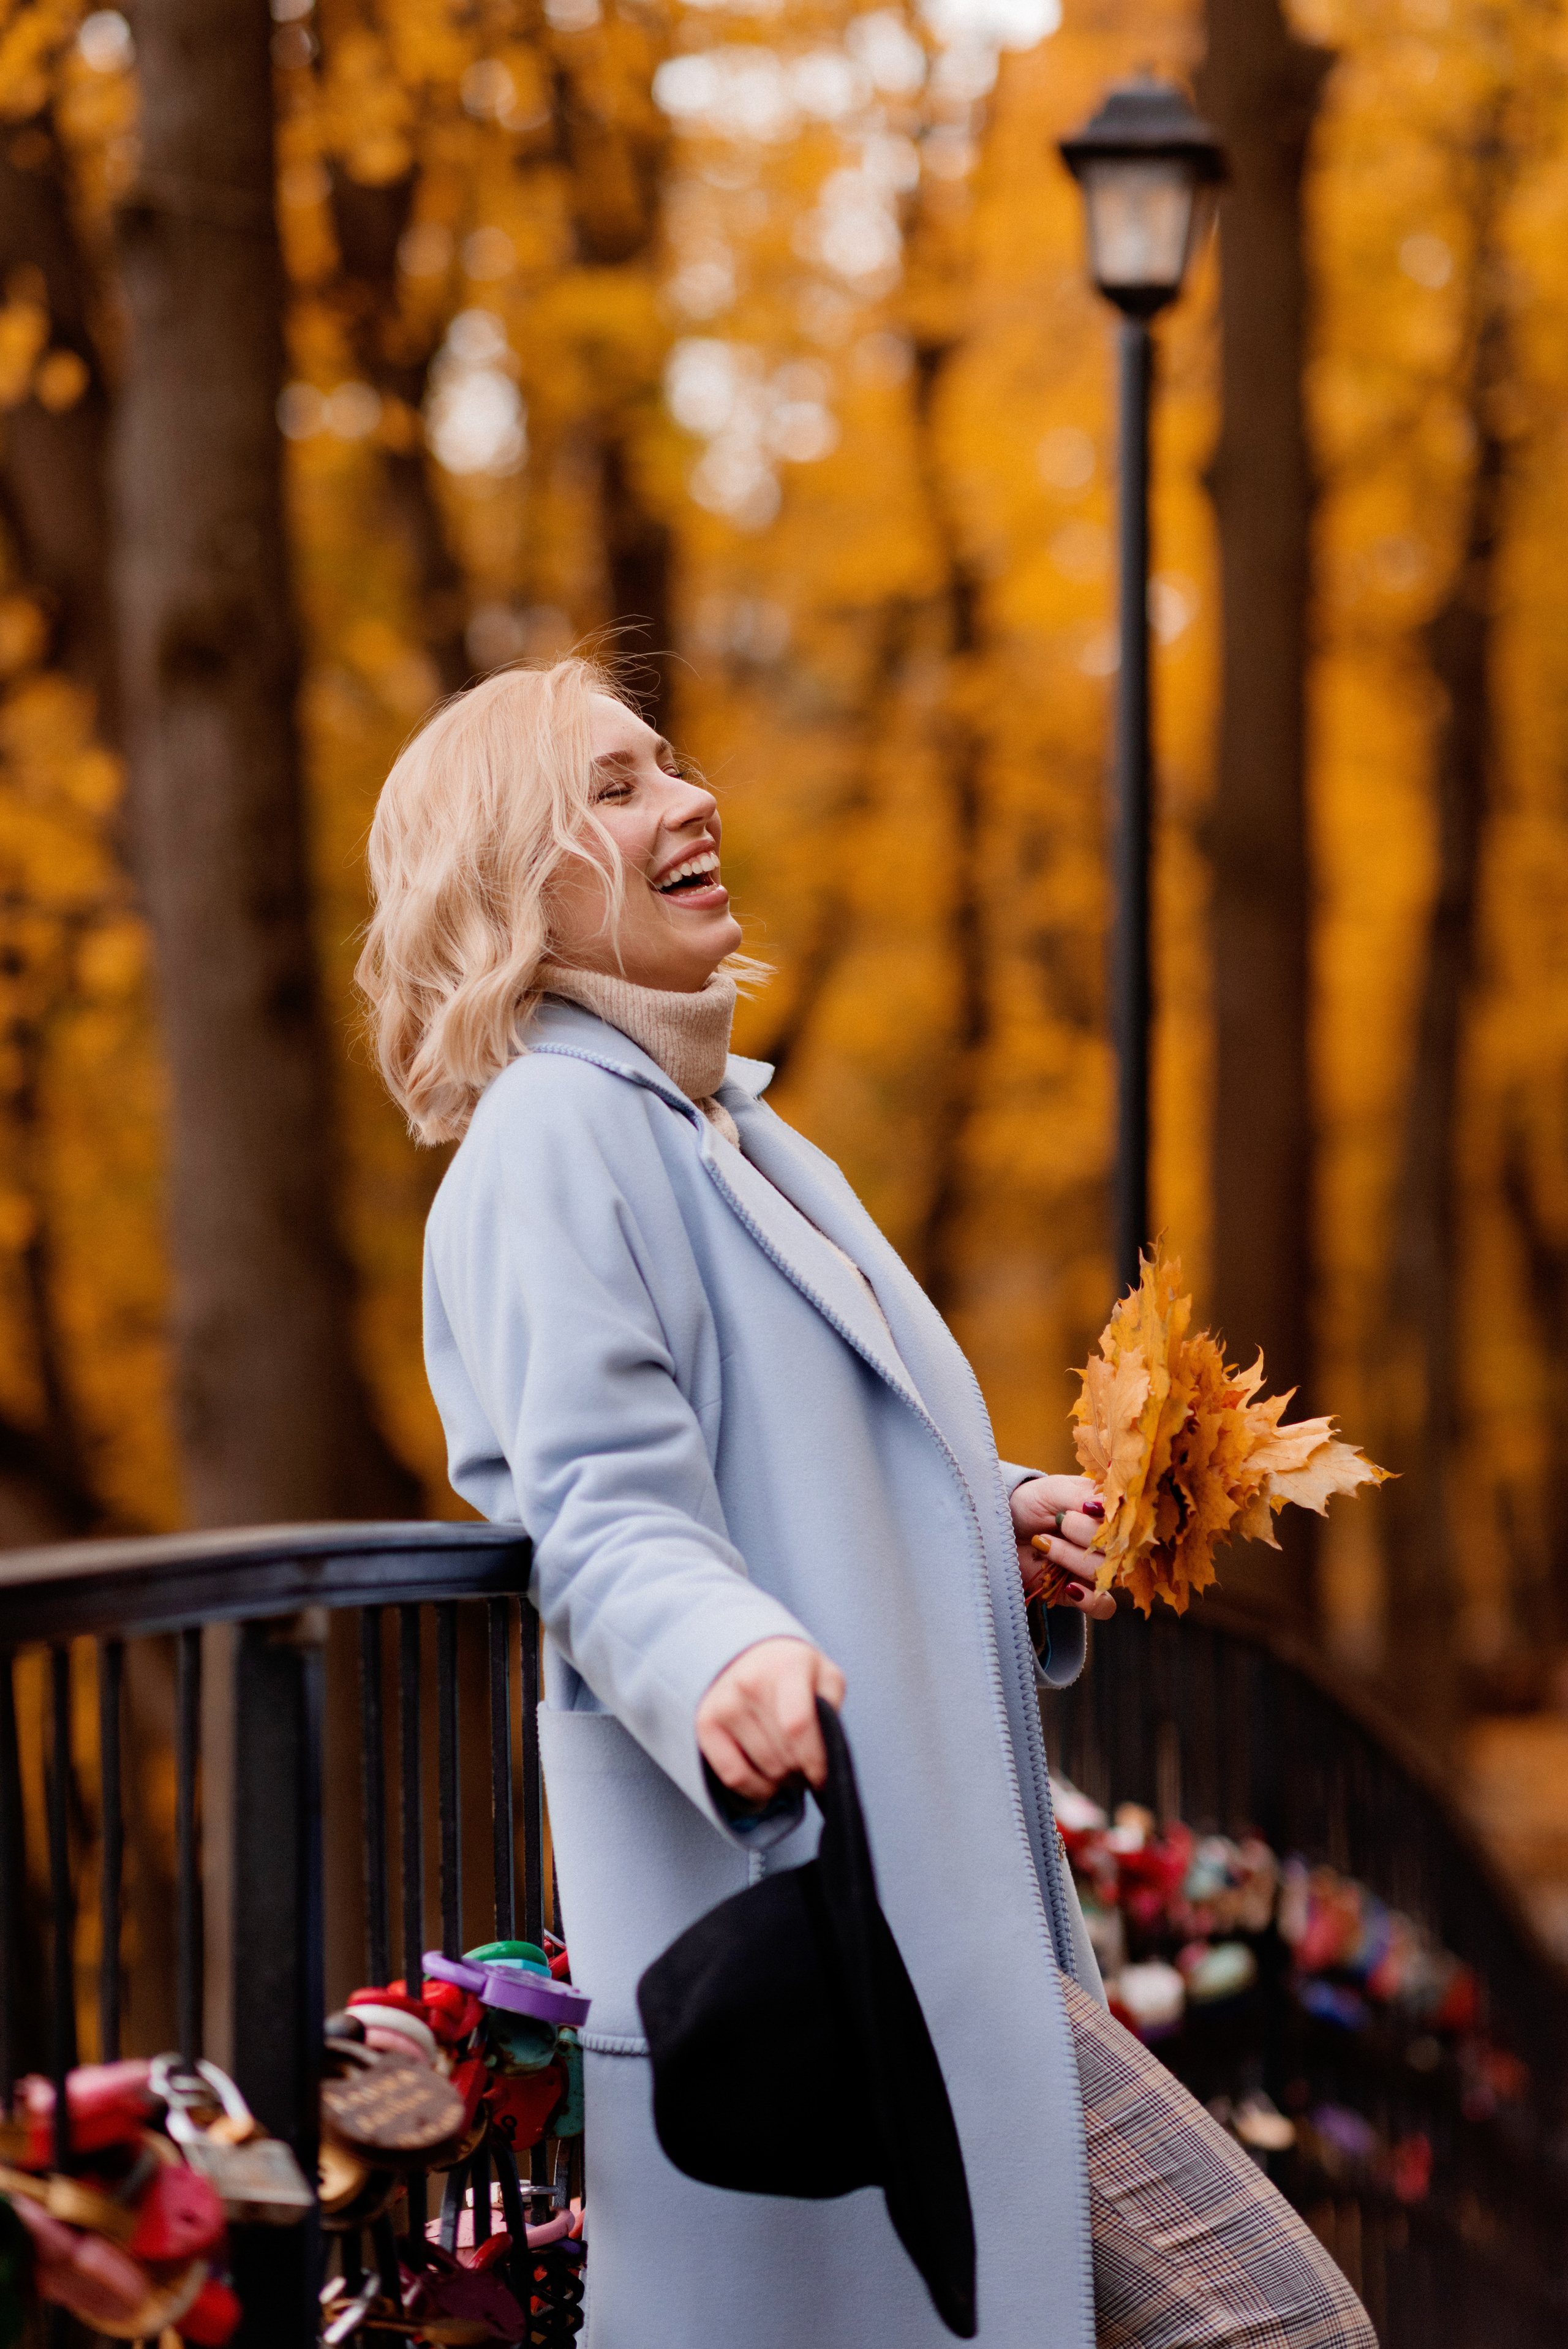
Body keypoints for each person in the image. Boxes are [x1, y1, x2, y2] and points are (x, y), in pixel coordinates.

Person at [356, 657, 1375, 2349]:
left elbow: (800, 1449)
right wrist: (720, 1656)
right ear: (507, 890)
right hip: (843, 1929)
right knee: (1278, 2324)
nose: (689, 803)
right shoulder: (550, 1140)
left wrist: (1005, 1522)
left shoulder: (727, 1133)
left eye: (670, 766)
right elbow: (598, 1507)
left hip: (937, 1930)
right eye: (613, 789)